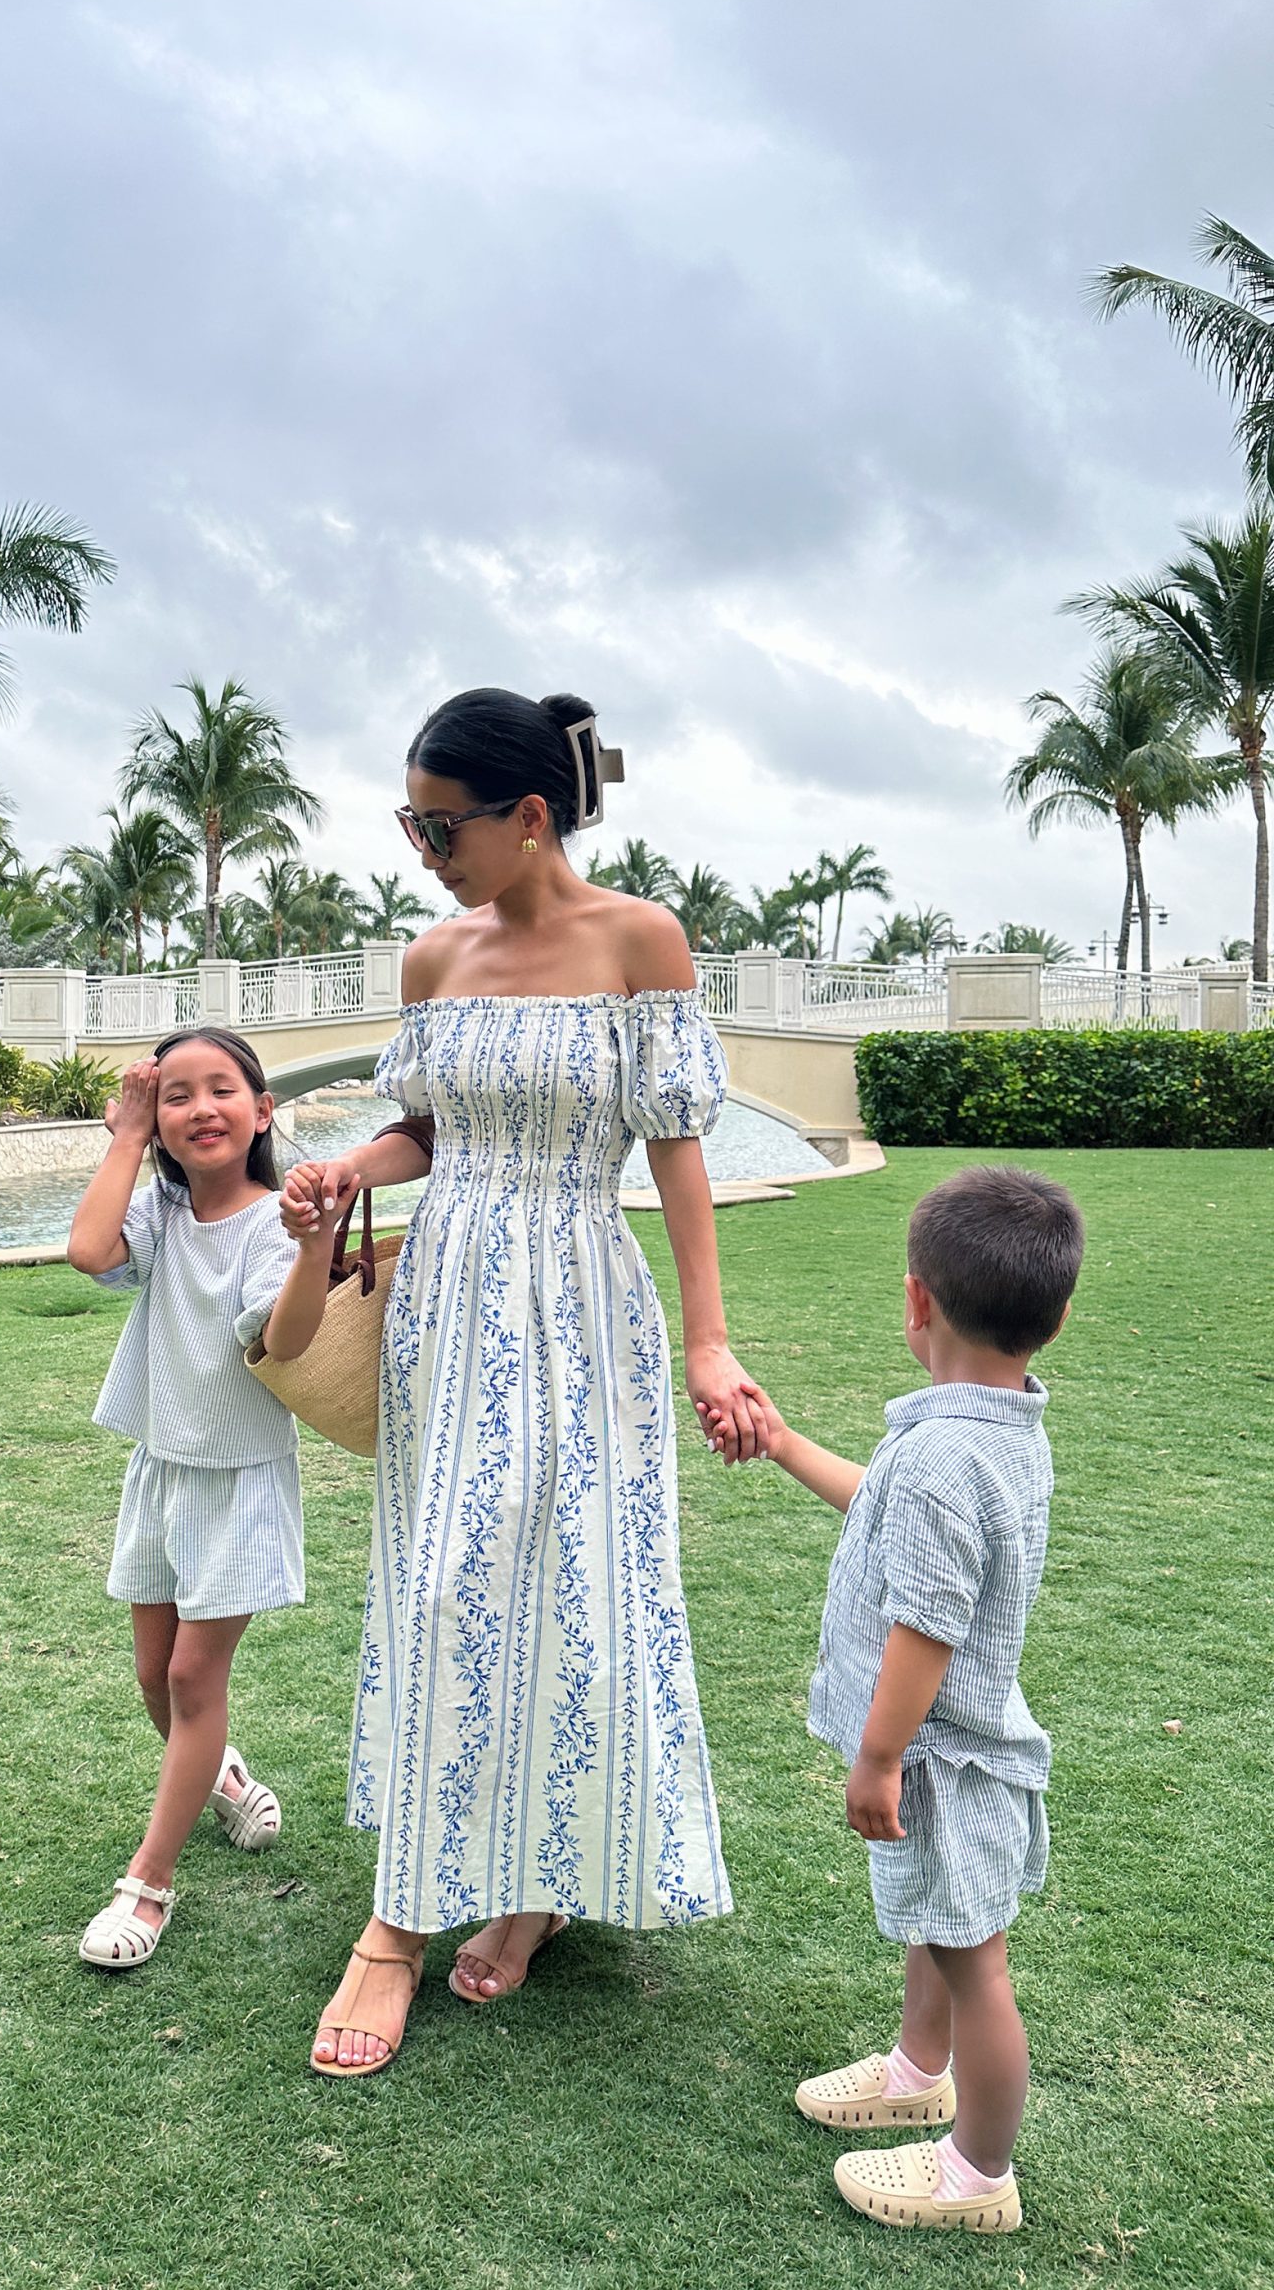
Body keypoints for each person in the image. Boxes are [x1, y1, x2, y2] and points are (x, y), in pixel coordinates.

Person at [280, 687, 770, 2078]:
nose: (423, 851)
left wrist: (708, 1340)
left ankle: (541, 1884)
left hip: (581, 1297)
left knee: (579, 1583)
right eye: (410, 823)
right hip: (449, 1301)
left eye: (442, 826)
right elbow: (428, 1130)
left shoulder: (641, 941)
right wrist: (343, 1171)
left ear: (530, 816)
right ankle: (397, 1921)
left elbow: (676, 1152)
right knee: (442, 1583)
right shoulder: (434, 961)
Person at [709, 1165, 1083, 2234]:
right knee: (937, 1926)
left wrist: (877, 1758)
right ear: (1054, 1317)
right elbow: (883, 1510)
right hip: (955, 1749)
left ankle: (979, 2175)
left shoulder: (944, 1458)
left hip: (946, 1758)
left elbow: (927, 1627)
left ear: (917, 1300)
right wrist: (782, 1445)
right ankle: (919, 2070)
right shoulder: (993, 1430)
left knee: (976, 1966)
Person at [66, 1026, 317, 1969]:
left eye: (222, 1089)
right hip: (162, 1467)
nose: (200, 1107)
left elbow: (285, 1343)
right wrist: (123, 1136)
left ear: (262, 1111)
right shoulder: (163, 1216)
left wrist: (313, 1246)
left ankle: (149, 1886)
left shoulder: (271, 1222)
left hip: (240, 1480)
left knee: (187, 1681)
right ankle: (226, 1777)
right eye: (175, 1095)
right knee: (150, 1676)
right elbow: (89, 1252)